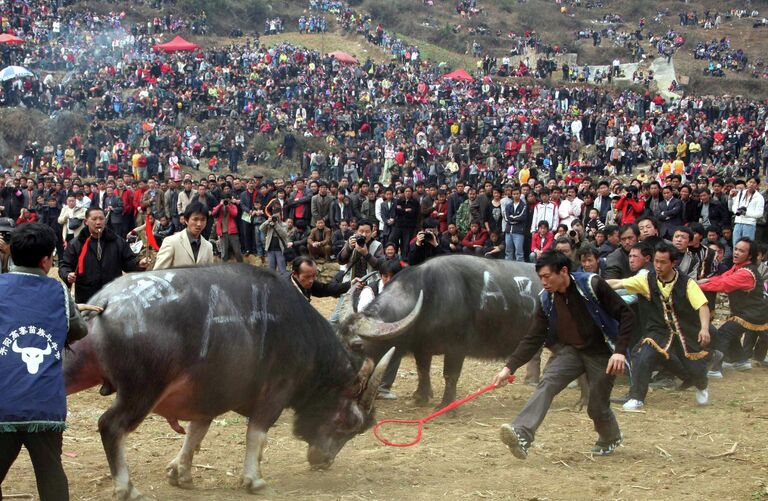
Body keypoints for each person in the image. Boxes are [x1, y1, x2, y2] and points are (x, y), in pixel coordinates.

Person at [491, 250, 633, 459]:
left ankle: (610, 437)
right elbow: (534, 337)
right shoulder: (546, 300)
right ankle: (521, 433)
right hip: (572, 351)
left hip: (602, 353)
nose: (543, 282)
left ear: (563, 271)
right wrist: (508, 368)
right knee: (547, 383)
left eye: (547, 277)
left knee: (596, 406)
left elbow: (626, 315)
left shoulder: (592, 285)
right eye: (540, 278)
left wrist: (619, 352)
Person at [0, 223, 88, 501]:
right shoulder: (58, 291)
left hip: (3, 403)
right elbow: (79, 331)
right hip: (44, 405)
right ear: (46, 260)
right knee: (51, 472)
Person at [607, 242, 712, 410]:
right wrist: (592, 282)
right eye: (656, 261)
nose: (658, 265)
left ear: (673, 263)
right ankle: (637, 397)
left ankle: (701, 385)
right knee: (643, 354)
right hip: (658, 330)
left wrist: (704, 328)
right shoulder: (645, 279)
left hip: (685, 330)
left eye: (663, 262)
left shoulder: (687, 283)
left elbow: (702, 306)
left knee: (694, 366)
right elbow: (619, 283)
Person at [699, 237, 768, 376]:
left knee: (724, 333)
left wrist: (696, 284)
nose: (736, 253)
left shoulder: (745, 273)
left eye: (741, 251)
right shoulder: (738, 268)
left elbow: (723, 285)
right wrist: (703, 281)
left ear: (749, 255)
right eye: (736, 249)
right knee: (731, 332)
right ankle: (740, 360)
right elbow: (722, 278)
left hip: (753, 314)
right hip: (748, 312)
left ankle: (715, 369)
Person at [58, 207, 148, 303]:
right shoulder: (76, 244)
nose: (98, 222)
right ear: (86, 221)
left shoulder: (117, 241)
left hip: (113, 295)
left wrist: (139, 264)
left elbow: (128, 261)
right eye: (94, 219)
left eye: (101, 218)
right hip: (87, 297)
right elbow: (65, 265)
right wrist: (68, 274)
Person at [153, 202, 214, 269]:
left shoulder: (208, 246)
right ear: (186, 220)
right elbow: (159, 272)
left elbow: (209, 274)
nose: (199, 224)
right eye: (195, 219)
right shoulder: (171, 242)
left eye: (203, 220)